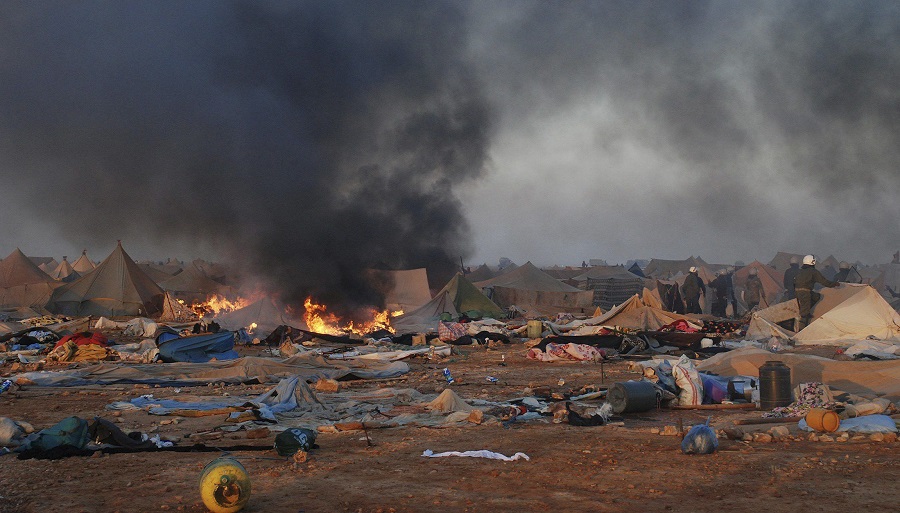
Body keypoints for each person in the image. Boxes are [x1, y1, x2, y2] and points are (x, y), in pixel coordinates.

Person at [794, 254, 838, 331]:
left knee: (816, 297)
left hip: (797, 291)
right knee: (804, 313)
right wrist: (834, 284)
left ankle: (807, 311)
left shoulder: (800, 271)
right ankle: (801, 331)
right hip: (805, 292)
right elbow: (824, 282)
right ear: (812, 262)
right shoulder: (813, 271)